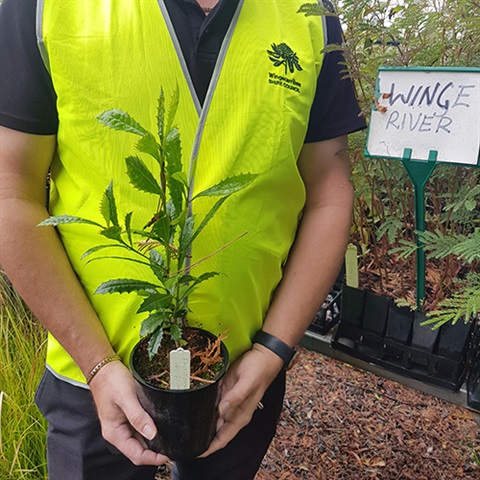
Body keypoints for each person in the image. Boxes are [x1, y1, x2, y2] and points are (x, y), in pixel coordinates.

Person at [0, 0, 366, 479]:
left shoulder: (309, 14)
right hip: (88, 374)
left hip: (240, 375)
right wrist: (97, 365)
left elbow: (329, 192)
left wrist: (272, 351)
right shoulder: (40, 8)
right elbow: (12, 190)